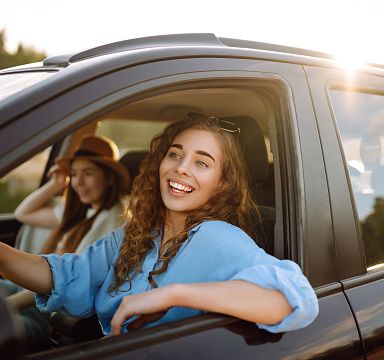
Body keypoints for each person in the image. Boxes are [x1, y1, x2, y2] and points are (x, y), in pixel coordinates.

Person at [0, 115, 319, 341]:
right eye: (175, 154)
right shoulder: (139, 233)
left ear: (222, 184)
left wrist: (173, 294)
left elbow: (295, 299)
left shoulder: (216, 237)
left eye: (202, 163)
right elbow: (68, 275)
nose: (181, 168)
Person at [1, 134, 130, 350]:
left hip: (46, 312)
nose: (78, 183)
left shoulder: (113, 225)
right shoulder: (79, 212)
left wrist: (9, 306)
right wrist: (58, 183)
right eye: (74, 174)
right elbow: (23, 213)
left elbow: (70, 280)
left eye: (88, 173)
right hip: (30, 293)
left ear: (109, 178)